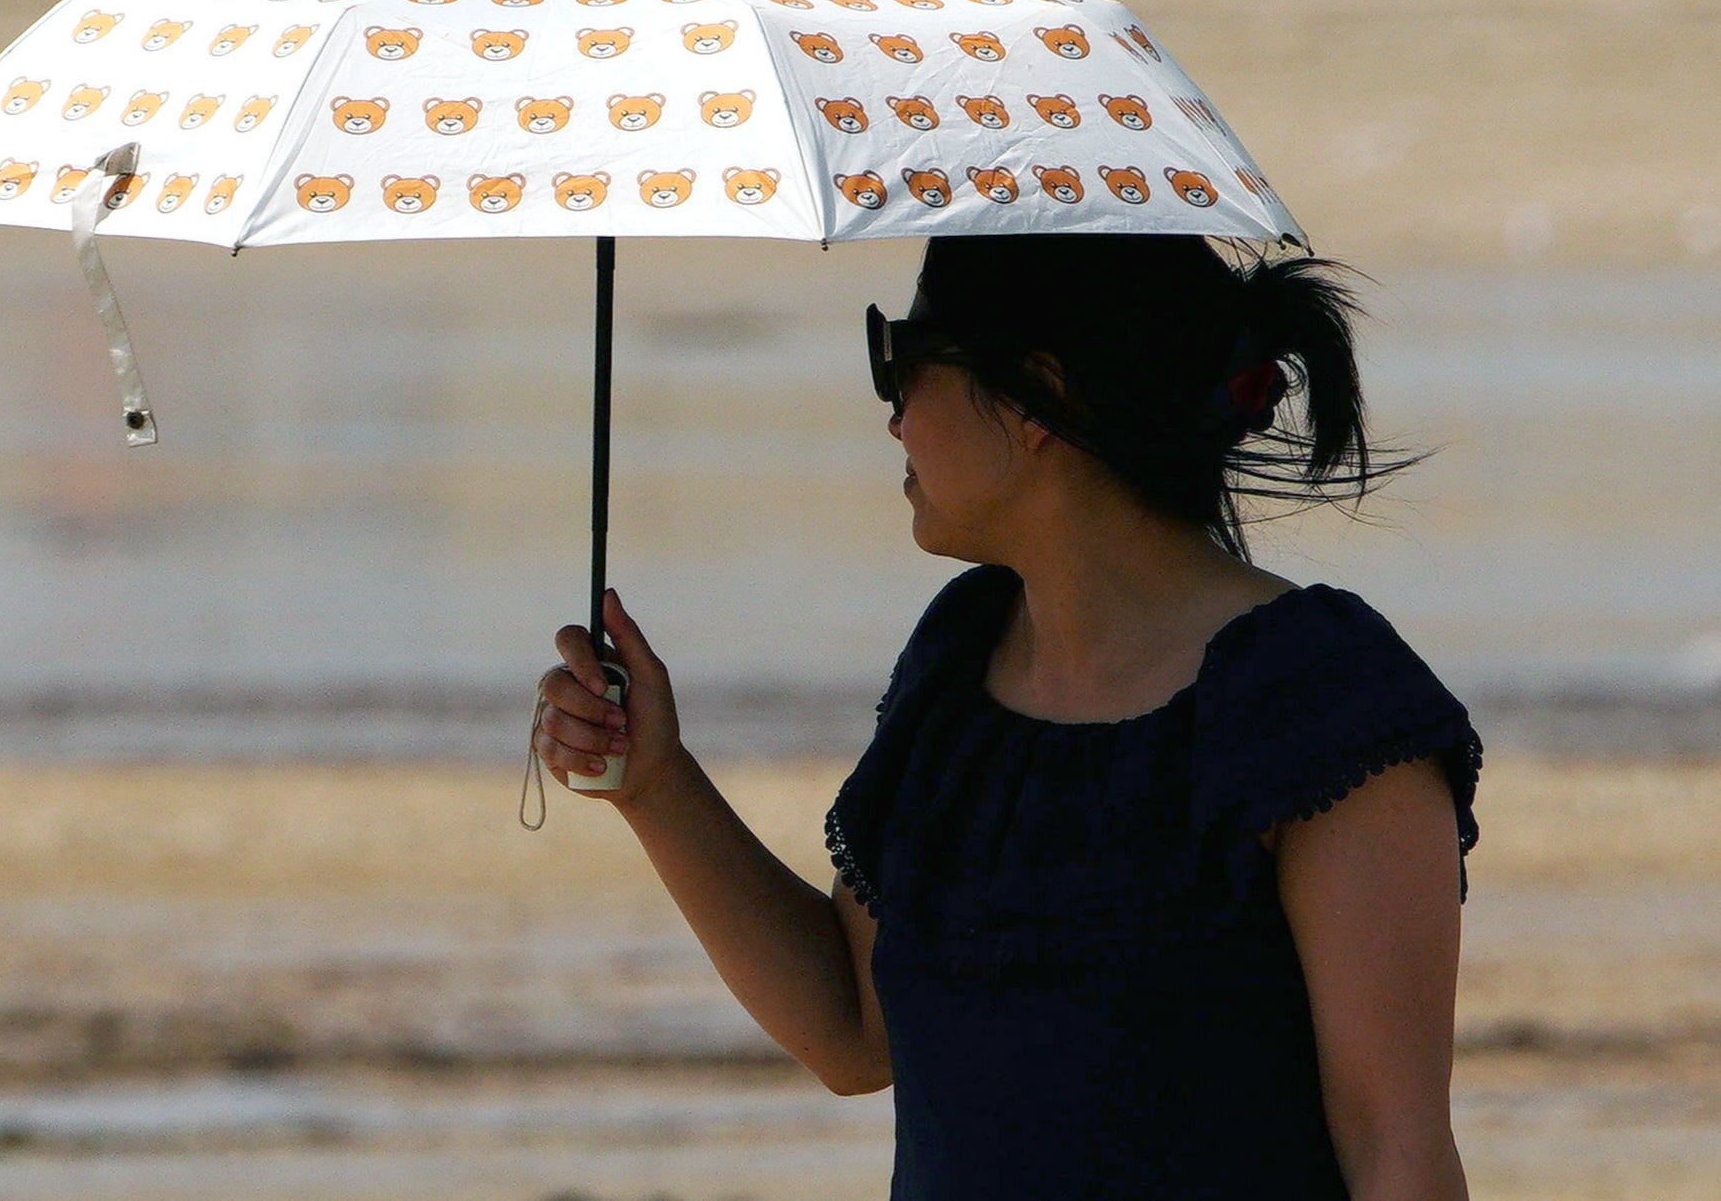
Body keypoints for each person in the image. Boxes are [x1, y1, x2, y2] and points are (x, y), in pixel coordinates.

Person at [532, 232, 1482, 1200]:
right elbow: (852, 1030)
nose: (893, 418)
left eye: (901, 361)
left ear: (1035, 397)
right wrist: (655, 785)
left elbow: (1396, 1152)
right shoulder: (958, 660)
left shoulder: (1321, 703)